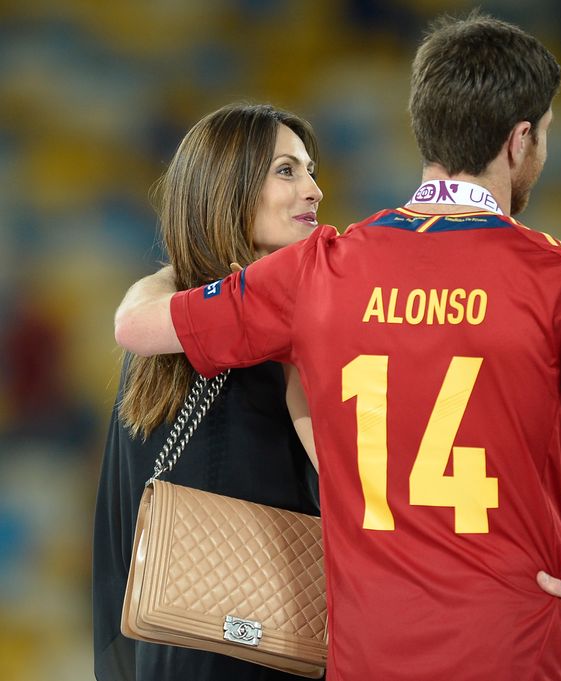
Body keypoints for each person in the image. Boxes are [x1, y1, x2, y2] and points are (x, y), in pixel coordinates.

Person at [114, 13, 561, 681]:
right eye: (545, 135)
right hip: (520, 654)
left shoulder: (318, 270)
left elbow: (137, 329)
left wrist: (174, 269)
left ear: (425, 128)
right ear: (519, 141)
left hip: (373, 660)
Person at [93, 103, 325, 681]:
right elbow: (344, 478)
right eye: (287, 171)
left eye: (310, 170)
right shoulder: (271, 327)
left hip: (170, 635)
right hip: (262, 636)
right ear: (227, 189)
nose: (314, 190)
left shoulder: (157, 324)